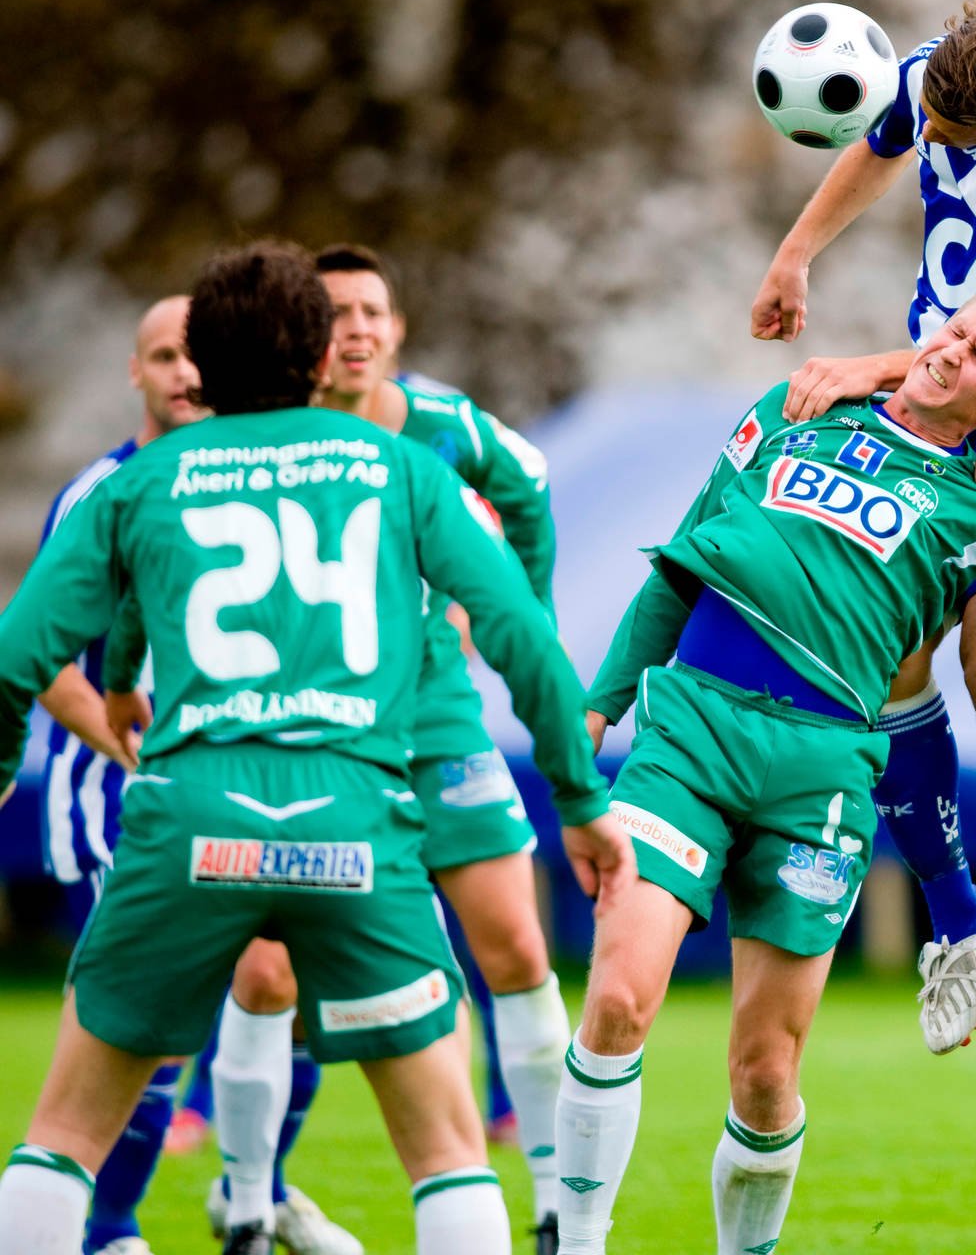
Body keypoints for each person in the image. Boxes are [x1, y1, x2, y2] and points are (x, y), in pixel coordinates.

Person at [0, 240, 634, 1255]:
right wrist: (581, 797)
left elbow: (15, 656)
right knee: (447, 1150)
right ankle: (269, 1199)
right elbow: (520, 634)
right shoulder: (400, 467)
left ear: (201, 364)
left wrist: (92, 701)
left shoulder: (140, 479)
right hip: (354, 815)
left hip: (189, 813)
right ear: (313, 353)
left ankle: (237, 1200)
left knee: (61, 1137)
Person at [557, 284, 976, 1255]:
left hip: (823, 774)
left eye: (975, 358)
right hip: (690, 736)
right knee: (622, 993)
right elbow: (678, 569)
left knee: (765, 1070)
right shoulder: (794, 411)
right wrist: (596, 708)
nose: (946, 353)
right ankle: (575, 1237)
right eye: (951, 331)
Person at [752, 0, 976, 1094]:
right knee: (887, 655)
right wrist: (795, 254)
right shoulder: (941, 70)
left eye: (961, 144)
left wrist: (865, 368)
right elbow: (880, 142)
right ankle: (959, 919)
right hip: (934, 394)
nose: (935, 151)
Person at [196, 242, 575, 1254]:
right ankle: (244, 1200)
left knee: (518, 948)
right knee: (266, 971)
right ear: (305, 336)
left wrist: (508, 616)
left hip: (437, 717)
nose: (357, 327)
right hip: (311, 728)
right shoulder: (268, 432)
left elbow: (531, 485)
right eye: (337, 312)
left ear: (396, 329)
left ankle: (554, 1209)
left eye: (374, 310)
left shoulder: (442, 426)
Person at [26, 295, 208, 1255]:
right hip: (111, 794)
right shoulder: (101, 490)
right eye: (163, 355)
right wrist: (122, 746)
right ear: (133, 372)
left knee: (208, 1011)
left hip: (213, 793)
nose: (184, 372)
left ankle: (239, 1198)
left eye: (198, 354)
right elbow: (43, 654)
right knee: (137, 1018)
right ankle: (103, 1229)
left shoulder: (236, 479)